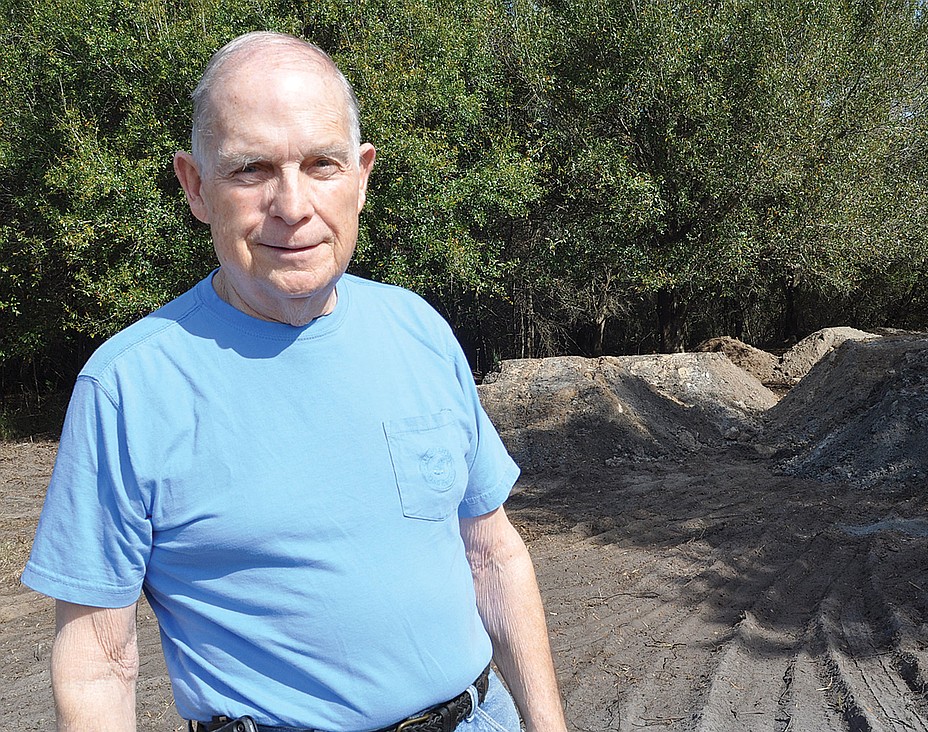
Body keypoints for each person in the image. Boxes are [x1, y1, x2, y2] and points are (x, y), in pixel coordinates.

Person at [22, 31, 568, 732]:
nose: (292, 204)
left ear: (361, 177)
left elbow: (491, 554)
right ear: (195, 186)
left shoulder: (418, 330)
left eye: (321, 164)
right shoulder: (128, 389)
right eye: (251, 169)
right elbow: (98, 660)